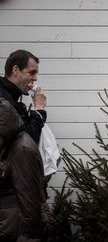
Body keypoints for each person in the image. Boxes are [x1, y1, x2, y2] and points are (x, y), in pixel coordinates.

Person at [0, 98, 52, 242]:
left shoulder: (21, 149)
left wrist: (29, 238)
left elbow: (30, 202)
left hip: (15, 230)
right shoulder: (5, 144)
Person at [0, 49, 47, 143]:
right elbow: (28, 142)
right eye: (32, 73)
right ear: (16, 70)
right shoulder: (4, 102)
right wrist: (39, 109)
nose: (35, 78)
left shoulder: (10, 96)